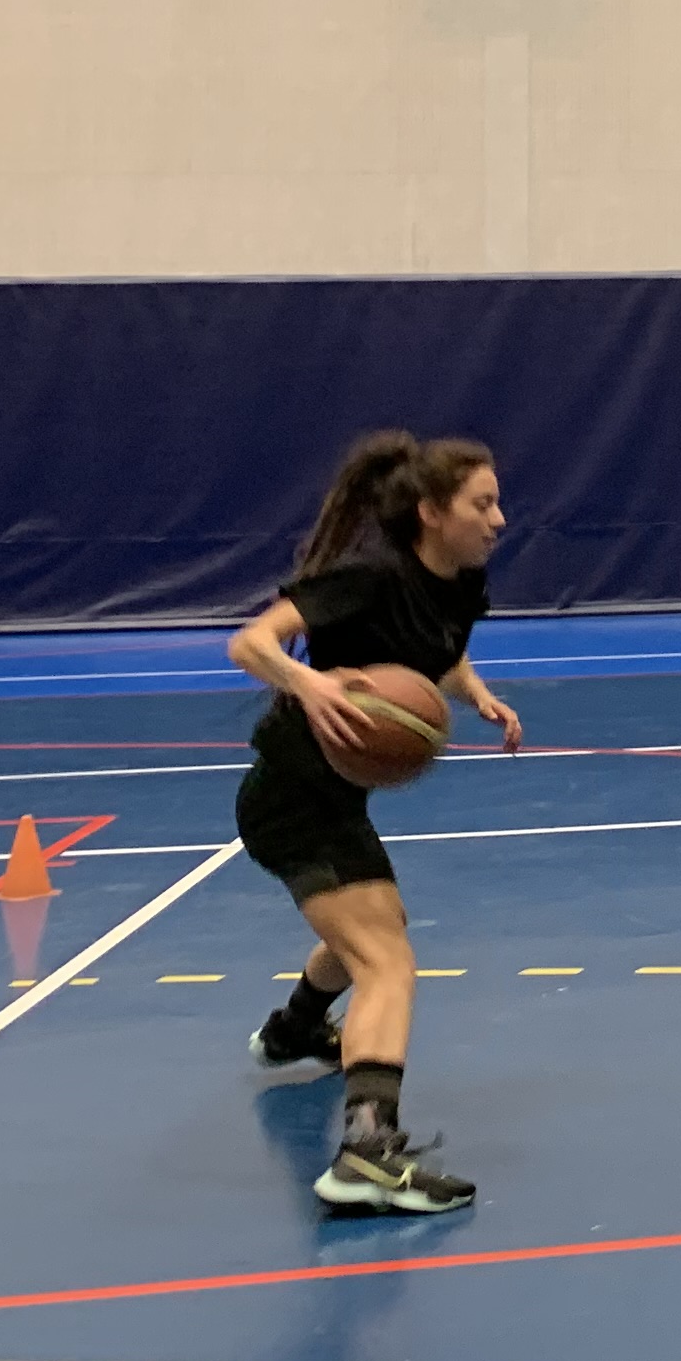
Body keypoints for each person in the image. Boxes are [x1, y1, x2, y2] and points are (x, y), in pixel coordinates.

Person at [227, 432, 523, 1214]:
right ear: (432, 512)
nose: (499, 519)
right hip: (293, 796)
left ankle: (295, 1030)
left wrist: (475, 694)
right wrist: (309, 684)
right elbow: (250, 643)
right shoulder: (368, 576)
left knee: (373, 927)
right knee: (387, 961)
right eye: (483, 504)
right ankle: (367, 1152)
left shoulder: (459, 581)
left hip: (333, 798)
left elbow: (437, 651)